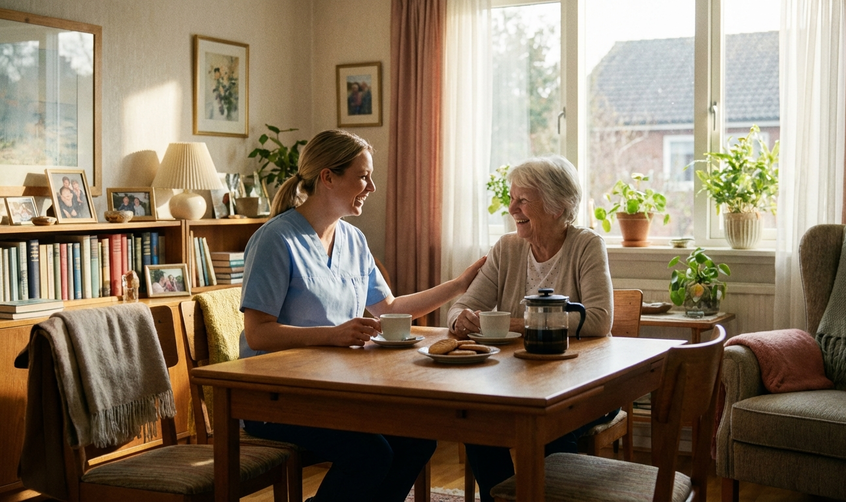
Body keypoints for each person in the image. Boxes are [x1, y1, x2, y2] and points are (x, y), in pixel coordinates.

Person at [239, 128, 485, 502]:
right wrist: (332, 334)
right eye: (363, 176)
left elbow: (390, 310)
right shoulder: (276, 239)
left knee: (418, 441)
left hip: (336, 393)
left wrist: (459, 285)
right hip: (276, 399)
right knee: (371, 454)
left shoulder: (353, 239)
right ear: (328, 177)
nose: (371, 186)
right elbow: (258, 334)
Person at [446, 155, 616, 502]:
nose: (511, 208)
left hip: (583, 385)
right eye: (512, 198)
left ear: (557, 206)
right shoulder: (507, 247)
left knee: (553, 432)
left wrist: (520, 324)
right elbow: (461, 306)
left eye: (522, 199)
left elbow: (599, 319)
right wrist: (459, 320)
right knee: (479, 427)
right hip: (516, 384)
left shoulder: (587, 245)